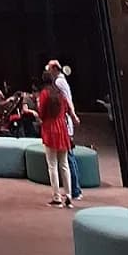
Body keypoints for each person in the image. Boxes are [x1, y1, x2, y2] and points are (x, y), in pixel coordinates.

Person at [38, 69, 79, 208]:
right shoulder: (60, 94)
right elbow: (68, 109)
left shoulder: (44, 94)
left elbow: (42, 113)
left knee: (52, 166)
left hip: (50, 130)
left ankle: (57, 197)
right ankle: (68, 196)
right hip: (62, 130)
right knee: (64, 164)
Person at [47, 59, 82, 199]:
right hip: (65, 122)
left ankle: (75, 190)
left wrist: (73, 116)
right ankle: (73, 190)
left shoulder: (59, 83)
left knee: (68, 158)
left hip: (63, 123)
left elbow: (67, 101)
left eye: (49, 68)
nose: (48, 71)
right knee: (66, 158)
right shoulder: (62, 81)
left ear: (55, 68)